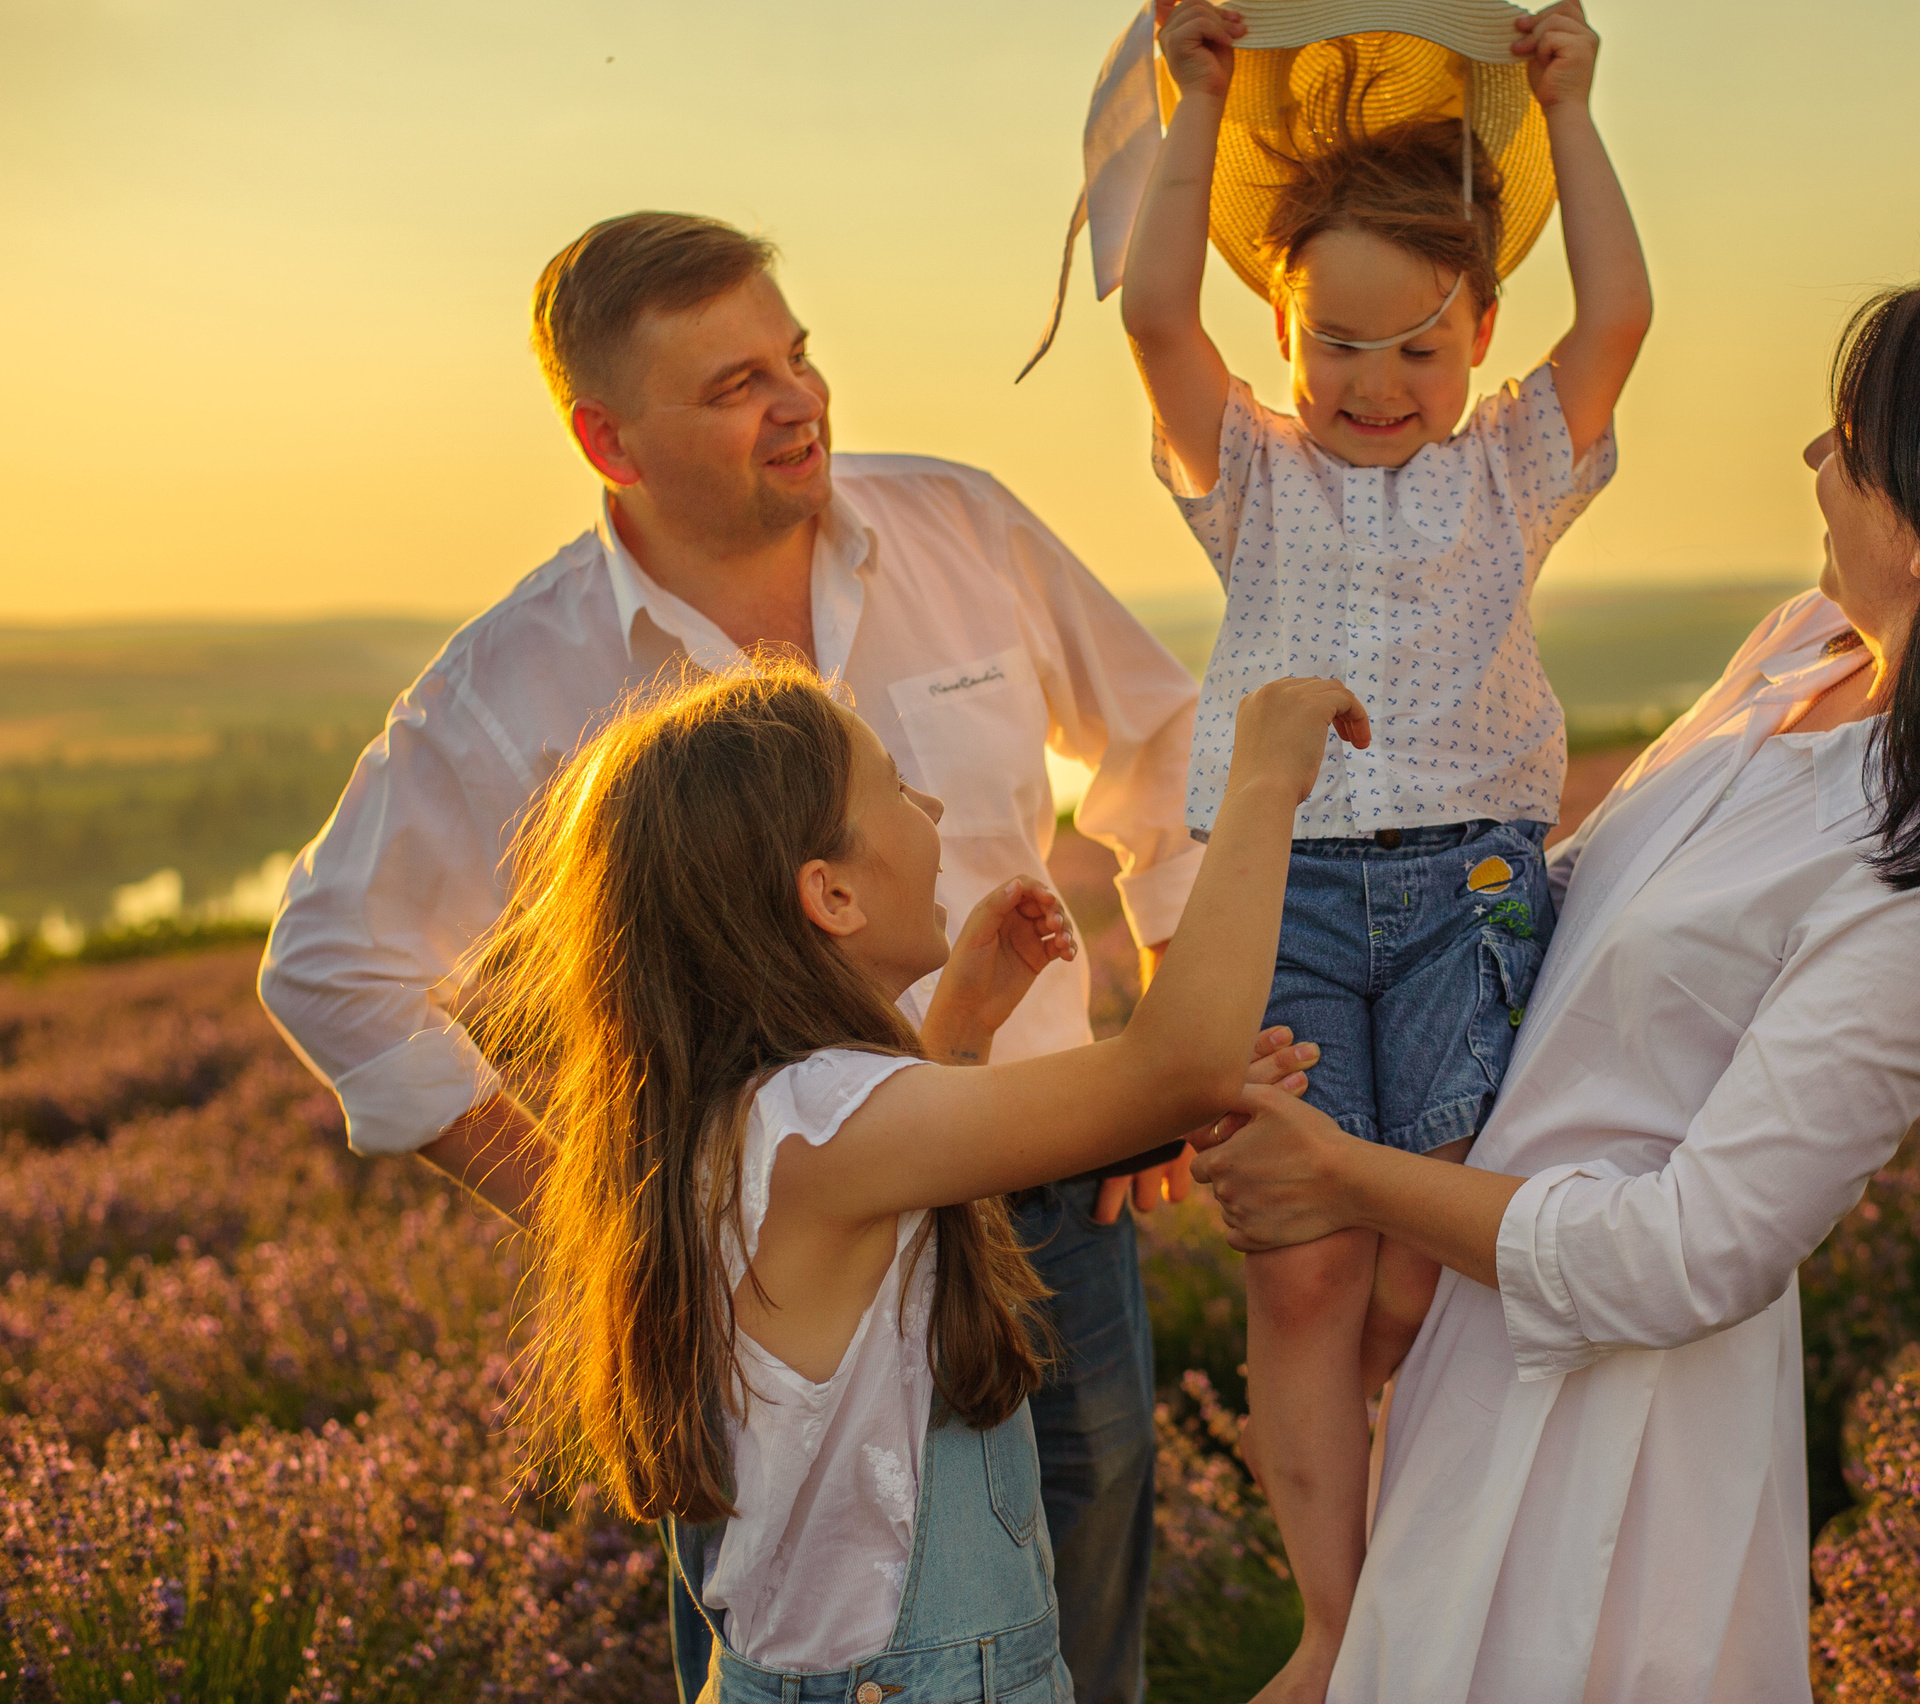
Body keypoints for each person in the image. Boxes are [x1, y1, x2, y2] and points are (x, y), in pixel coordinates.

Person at [1190, 274, 1920, 1701]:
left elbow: (1689, 1254)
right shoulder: (1795, 656)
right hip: (1466, 1337)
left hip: (1606, 1455)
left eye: (1852, 441)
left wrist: (1345, 1180)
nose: (1815, 464)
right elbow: (1564, 910)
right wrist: (1313, 1011)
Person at [256, 212, 1203, 1704]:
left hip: (1046, 1193)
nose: (800, 399)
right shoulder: (517, 679)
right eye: (733, 384)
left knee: (1063, 1616)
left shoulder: (963, 524)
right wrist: (602, 1206)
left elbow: (1161, 739)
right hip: (765, 1277)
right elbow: (326, 963)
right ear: (609, 441)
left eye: (798, 355)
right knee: (790, 1640)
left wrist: (1158, 1070)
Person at [483, 664, 1360, 1702]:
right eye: (896, 786)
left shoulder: (758, 1117)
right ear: (832, 894)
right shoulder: (822, 1124)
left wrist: (960, 1037)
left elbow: (878, 1276)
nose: (932, 806)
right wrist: (1260, 780)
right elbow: (1174, 1067)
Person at [1118, 3, 1649, 1692]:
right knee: (1304, 1273)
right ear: (1284, 336)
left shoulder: (1513, 470)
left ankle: (1432, 1597)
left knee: (1423, 1280)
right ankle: (1337, 1625)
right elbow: (1146, 307)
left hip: (1465, 896)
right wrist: (1189, 97)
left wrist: (1570, 110)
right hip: (1278, 897)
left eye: (1420, 345)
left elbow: (1623, 309)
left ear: (1485, 332)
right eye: (1337, 344)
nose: (1376, 383)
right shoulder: (1252, 480)